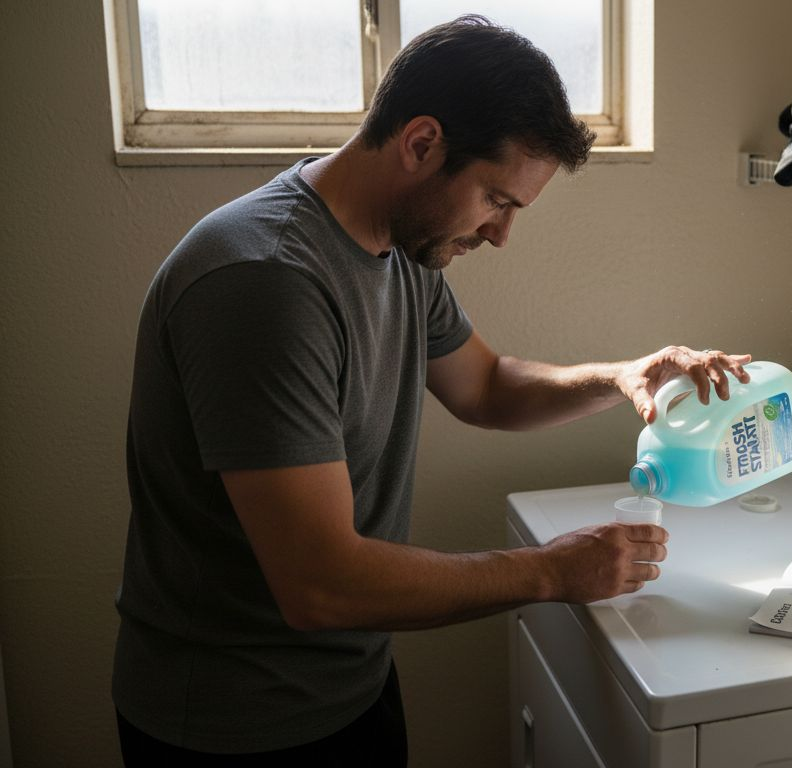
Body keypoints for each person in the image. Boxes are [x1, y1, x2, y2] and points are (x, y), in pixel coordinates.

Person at [112, 16, 751, 765]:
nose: (500, 234)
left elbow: (483, 385)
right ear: (421, 144)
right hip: (234, 722)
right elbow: (318, 584)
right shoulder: (266, 282)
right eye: (497, 200)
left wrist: (619, 376)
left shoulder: (399, 246)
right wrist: (550, 570)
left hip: (350, 683)